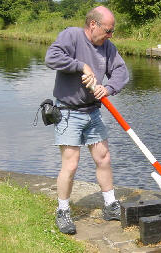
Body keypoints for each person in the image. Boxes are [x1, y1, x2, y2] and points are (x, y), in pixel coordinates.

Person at [45, 6, 129, 235]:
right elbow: (51, 57)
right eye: (108, 30)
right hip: (68, 111)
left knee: (103, 158)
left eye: (112, 31)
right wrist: (80, 65)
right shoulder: (71, 35)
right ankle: (62, 211)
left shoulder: (108, 47)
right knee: (70, 164)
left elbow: (121, 72)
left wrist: (108, 88)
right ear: (93, 24)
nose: (111, 35)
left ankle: (110, 204)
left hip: (92, 111)